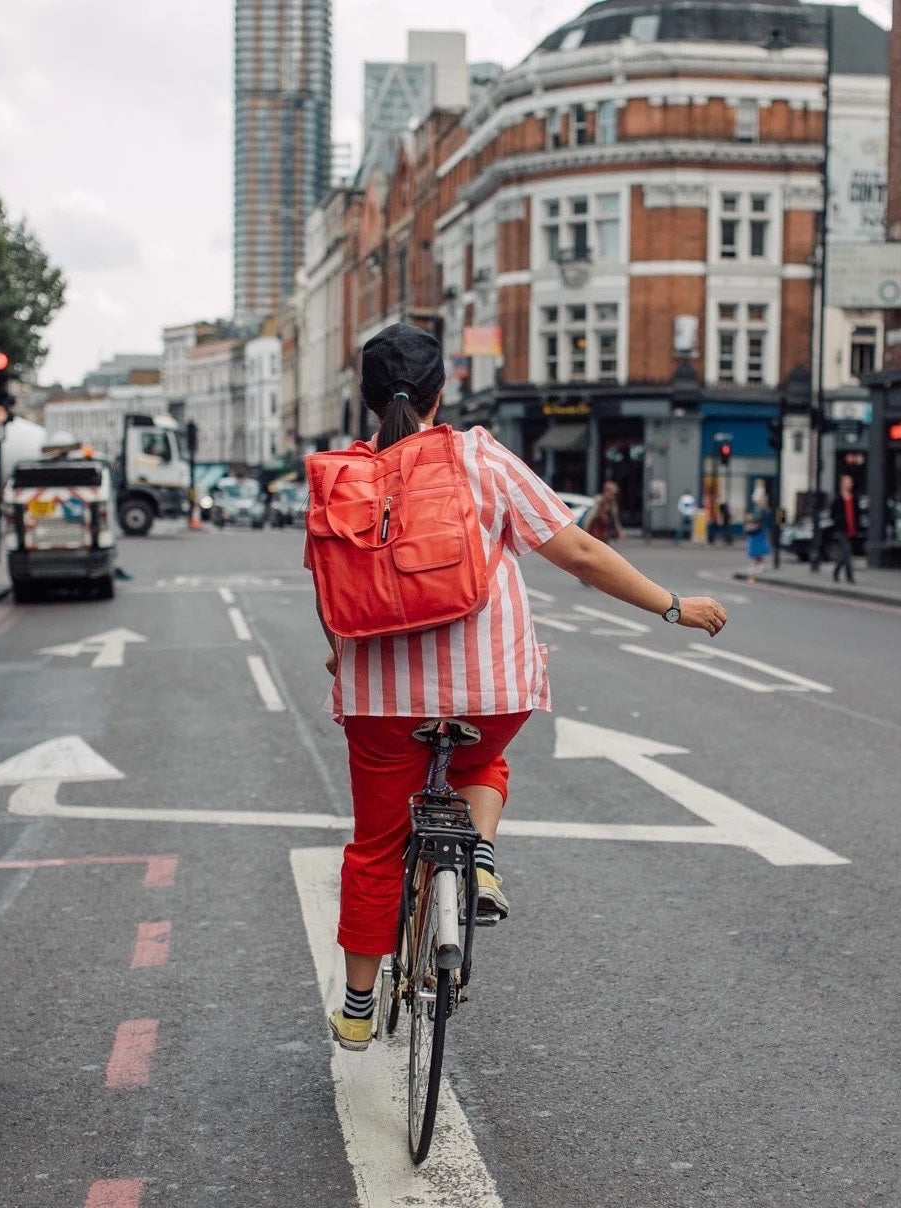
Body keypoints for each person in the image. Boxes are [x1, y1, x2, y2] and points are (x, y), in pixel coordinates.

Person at [308, 324, 728, 1051]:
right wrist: (672, 606)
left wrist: (339, 658)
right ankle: (479, 859)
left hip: (381, 697)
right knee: (479, 761)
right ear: (443, 389)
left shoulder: (344, 477)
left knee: (376, 847)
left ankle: (355, 1006)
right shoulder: (480, 457)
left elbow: (332, 587)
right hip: (493, 687)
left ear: (368, 400)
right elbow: (583, 555)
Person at [829, 475, 859, 584]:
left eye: (850, 482)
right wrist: (839, 522)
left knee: (845, 554)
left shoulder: (854, 498)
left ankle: (836, 571)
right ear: (842, 484)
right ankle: (850, 577)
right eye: (847, 482)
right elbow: (832, 514)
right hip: (841, 530)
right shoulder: (837, 499)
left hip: (852, 529)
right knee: (847, 552)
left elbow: (857, 514)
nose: (849, 484)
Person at [744, 482, 772, 577]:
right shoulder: (756, 507)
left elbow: (759, 519)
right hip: (756, 530)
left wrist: (752, 520)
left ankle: (760, 564)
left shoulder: (762, 509)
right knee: (755, 549)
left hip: (759, 531)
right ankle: (757, 564)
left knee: (758, 548)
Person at [586, 479, 624, 545]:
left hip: (605, 537)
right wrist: (585, 533)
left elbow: (615, 520)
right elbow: (589, 519)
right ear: (606, 491)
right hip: (595, 537)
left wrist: (619, 531)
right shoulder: (598, 503)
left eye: (615, 494)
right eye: (613, 493)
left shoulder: (613, 505)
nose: (614, 496)